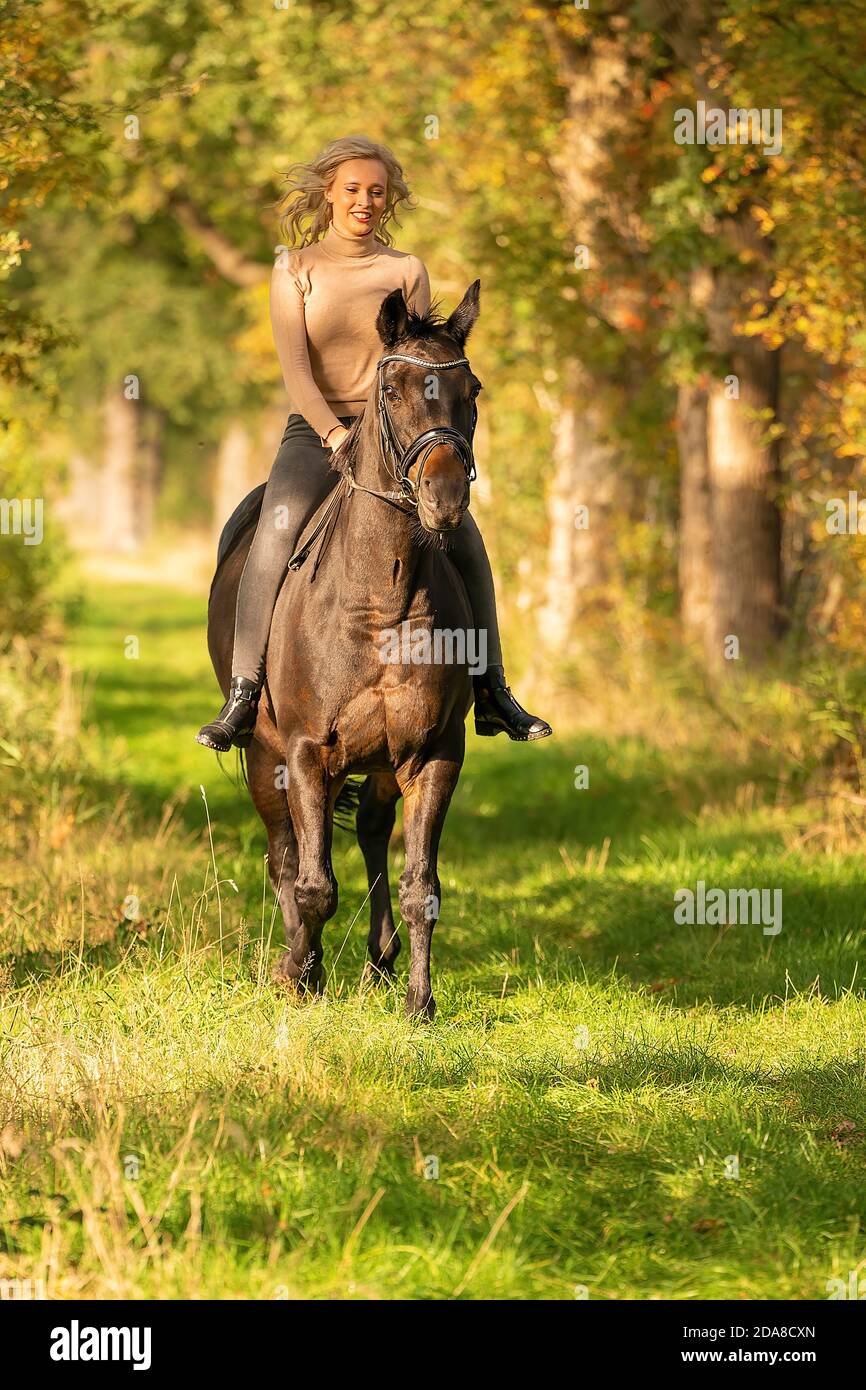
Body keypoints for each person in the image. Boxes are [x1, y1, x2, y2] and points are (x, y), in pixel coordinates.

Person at [196, 134, 552, 752]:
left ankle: (493, 690)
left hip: (398, 434)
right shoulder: (296, 268)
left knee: (463, 535)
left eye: (376, 191)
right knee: (276, 529)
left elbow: (422, 364)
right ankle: (244, 693)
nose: (364, 200)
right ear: (329, 194)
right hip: (319, 429)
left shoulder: (406, 269)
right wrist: (335, 434)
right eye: (353, 189)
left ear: (389, 200)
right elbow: (297, 372)